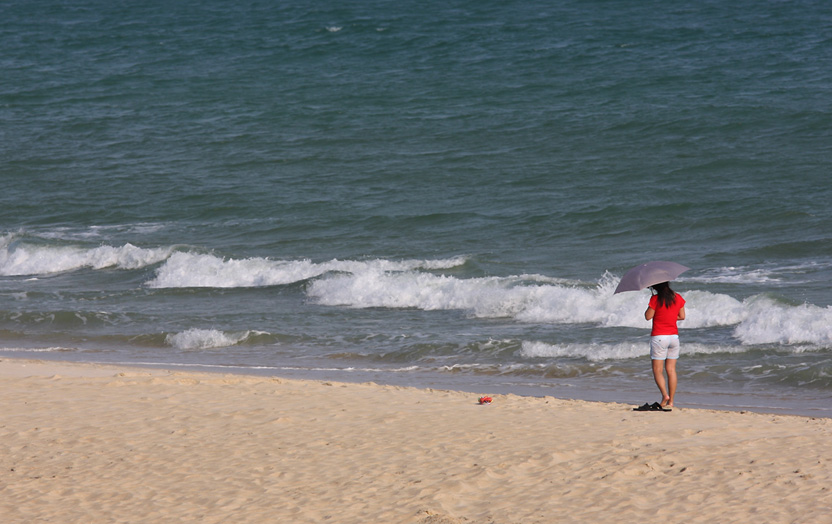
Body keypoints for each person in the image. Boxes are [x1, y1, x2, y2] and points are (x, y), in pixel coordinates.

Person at [644, 281, 685, 410]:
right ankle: (671, 401)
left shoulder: (656, 298)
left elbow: (647, 316)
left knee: (657, 370)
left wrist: (655, 308)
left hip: (659, 337)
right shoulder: (677, 297)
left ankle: (665, 395)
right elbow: (682, 316)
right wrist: (670, 316)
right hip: (674, 337)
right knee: (671, 370)